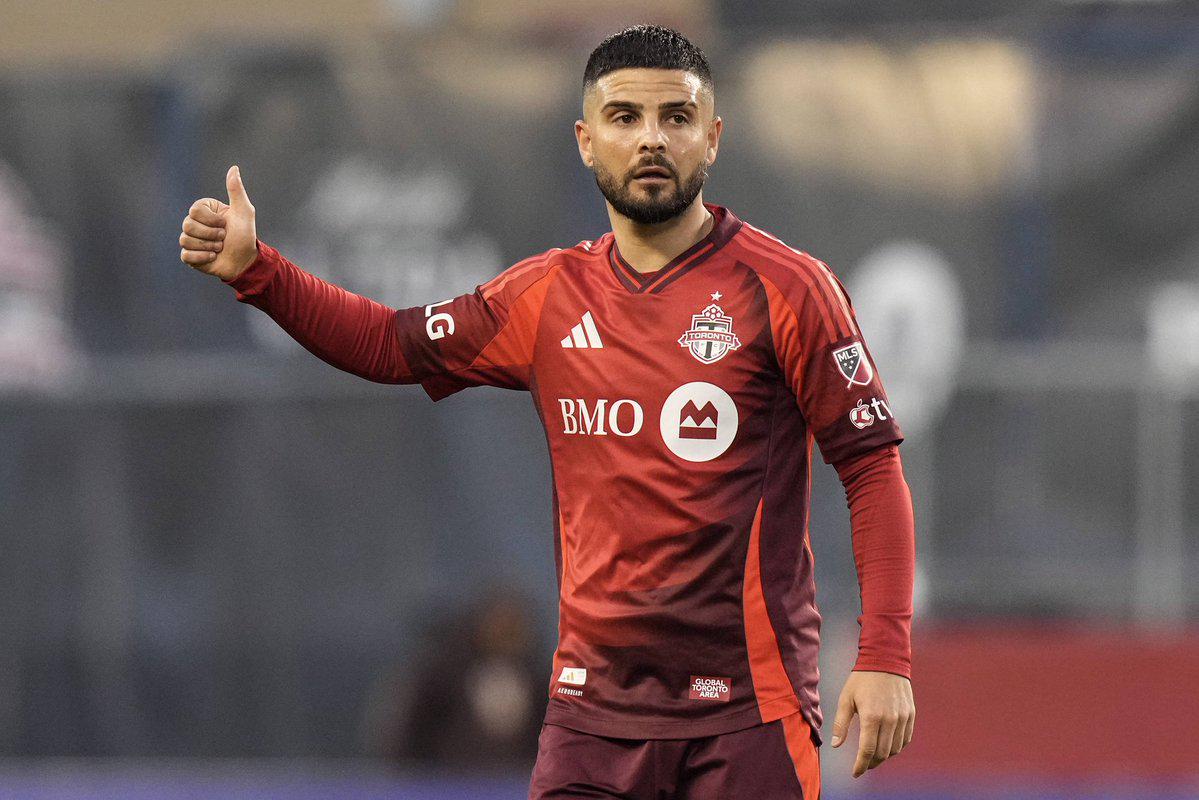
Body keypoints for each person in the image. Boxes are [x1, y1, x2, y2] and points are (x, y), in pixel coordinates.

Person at [178, 25, 916, 800]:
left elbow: (871, 469)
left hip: (746, 715)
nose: (651, 139)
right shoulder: (546, 296)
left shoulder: (788, 288)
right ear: (586, 142)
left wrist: (884, 656)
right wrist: (258, 272)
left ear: (712, 138)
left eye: (676, 117)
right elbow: (388, 344)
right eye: (624, 117)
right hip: (590, 716)